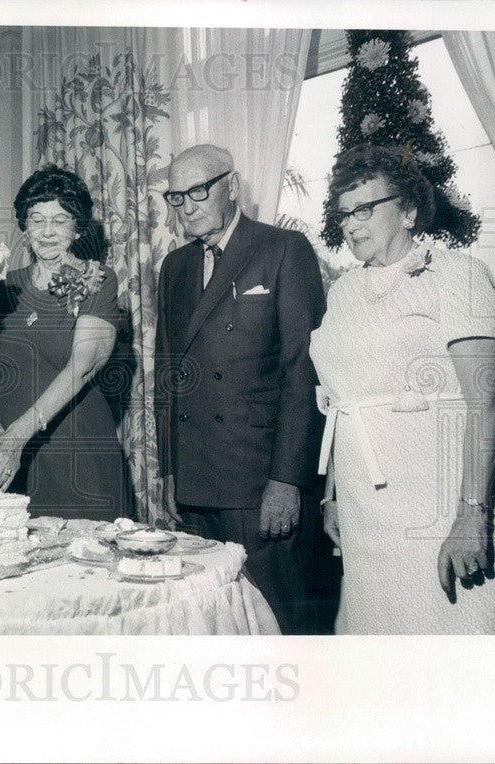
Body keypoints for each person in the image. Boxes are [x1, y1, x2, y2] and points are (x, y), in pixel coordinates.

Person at [310, 143, 495, 634]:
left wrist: (473, 517)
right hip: (368, 516)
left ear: (408, 210)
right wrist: (333, 496)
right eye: (343, 213)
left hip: (440, 504)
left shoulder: (458, 276)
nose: (350, 224)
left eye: (364, 209)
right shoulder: (343, 293)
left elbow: (487, 402)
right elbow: (346, 402)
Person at [154, 144, 326, 634]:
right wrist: (169, 470)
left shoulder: (282, 250)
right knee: (212, 621)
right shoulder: (175, 267)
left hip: (258, 481)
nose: (185, 206)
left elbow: (303, 370)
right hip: (196, 480)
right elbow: (168, 373)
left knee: (276, 618)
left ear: (231, 186)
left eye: (198, 191)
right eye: (175, 196)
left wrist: (288, 480)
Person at [0, 166, 131, 521]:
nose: (47, 231)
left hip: (77, 453)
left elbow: (84, 364)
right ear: (24, 227)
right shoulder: (2, 286)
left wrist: (16, 437)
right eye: (36, 219)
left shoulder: (98, 279)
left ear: (77, 229)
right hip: (5, 455)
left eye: (59, 221)